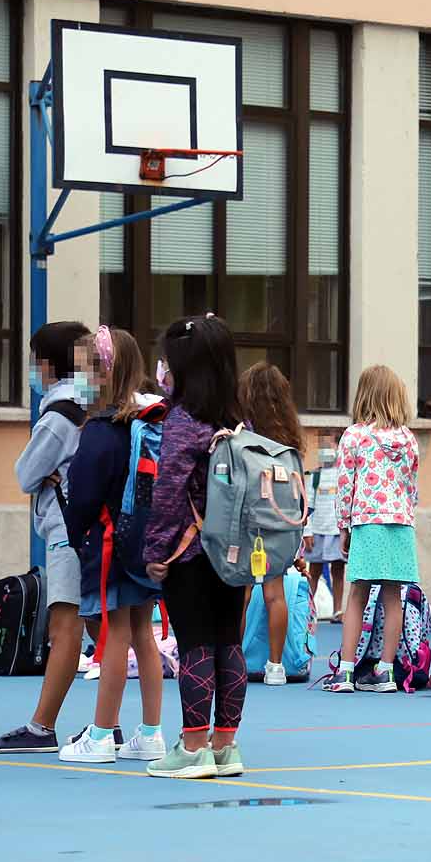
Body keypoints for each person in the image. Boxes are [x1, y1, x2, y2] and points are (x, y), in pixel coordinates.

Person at [0, 321, 95, 754]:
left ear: (47, 364)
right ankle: (113, 723)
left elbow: (26, 474)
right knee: (109, 624)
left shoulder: (58, 416)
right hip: (94, 527)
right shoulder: (90, 407)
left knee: (64, 628)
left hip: (67, 529)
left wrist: (45, 474)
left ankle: (42, 727)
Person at [141, 315, 249, 779]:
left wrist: (155, 551)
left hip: (190, 551)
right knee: (229, 643)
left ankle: (191, 747)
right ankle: (226, 746)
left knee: (195, 645)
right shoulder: (236, 420)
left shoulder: (183, 421)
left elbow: (167, 492)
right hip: (235, 551)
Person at [55, 327, 168, 764]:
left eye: (86, 370)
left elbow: (83, 493)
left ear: (102, 374)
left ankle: (102, 734)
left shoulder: (103, 428)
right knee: (146, 633)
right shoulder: (149, 420)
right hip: (143, 540)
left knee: (115, 634)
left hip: (108, 542)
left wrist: (73, 522)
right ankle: (152, 732)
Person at [323, 365, 420, 694]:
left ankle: (346, 670)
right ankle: (385, 671)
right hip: (400, 524)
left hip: (367, 522)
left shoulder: (355, 436)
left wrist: (343, 528)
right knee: (393, 597)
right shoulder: (408, 439)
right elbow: (412, 487)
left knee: (357, 595)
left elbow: (345, 486)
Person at [238, 362, 308, 686]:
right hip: (280, 526)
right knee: (274, 593)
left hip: (248, 523)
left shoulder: (243, 434)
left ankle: (234, 658)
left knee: (241, 592)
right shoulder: (289, 438)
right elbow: (300, 490)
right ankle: (275, 665)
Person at [303, 433, 346, 621]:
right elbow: (307, 506)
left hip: (336, 531)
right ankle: (307, 610)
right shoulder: (313, 476)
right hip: (318, 531)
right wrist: (307, 531)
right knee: (314, 571)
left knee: (338, 570)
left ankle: (337, 611)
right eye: (323, 447)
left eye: (330, 446)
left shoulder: (343, 475)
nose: (327, 450)